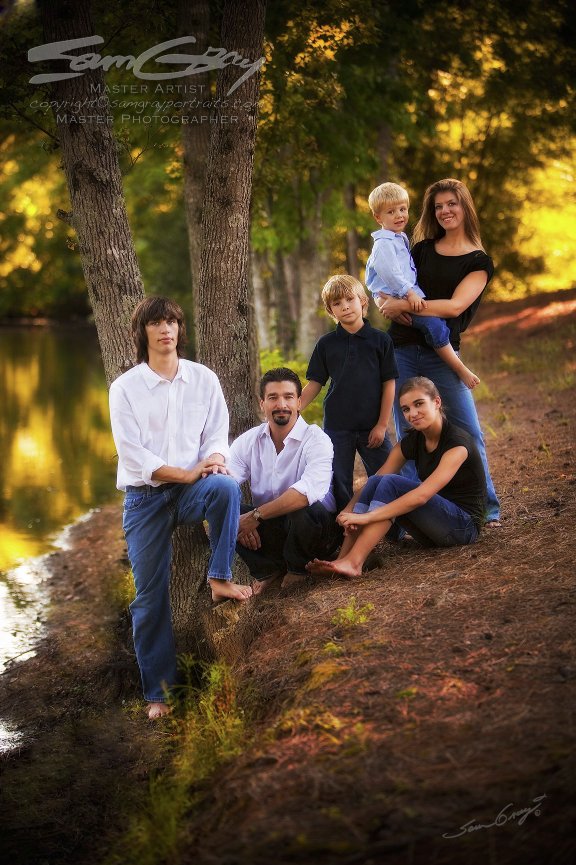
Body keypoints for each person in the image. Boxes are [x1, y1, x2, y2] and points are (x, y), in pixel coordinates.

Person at [108, 296, 251, 720]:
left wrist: (215, 460)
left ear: (179, 329)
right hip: (145, 499)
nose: (165, 329)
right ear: (143, 332)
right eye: (156, 323)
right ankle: (160, 694)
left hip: (192, 492)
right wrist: (187, 474)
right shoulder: (125, 388)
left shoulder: (203, 379)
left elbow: (217, 434)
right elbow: (133, 455)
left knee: (226, 486)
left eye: (171, 321)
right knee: (150, 597)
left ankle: (220, 577)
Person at [376, 177, 501, 525]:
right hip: (401, 348)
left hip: (443, 355)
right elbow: (391, 284)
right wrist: (388, 304)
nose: (445, 211)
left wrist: (405, 305)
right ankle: (412, 510)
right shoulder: (421, 249)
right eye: (438, 206)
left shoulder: (478, 262)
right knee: (410, 433)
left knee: (468, 429)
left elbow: (455, 306)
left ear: (465, 207)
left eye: (452, 204)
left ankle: (486, 507)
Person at [307, 377, 486, 579]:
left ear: (436, 402)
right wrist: (349, 510)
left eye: (419, 404)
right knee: (377, 481)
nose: (412, 414)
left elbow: (422, 496)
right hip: (432, 529)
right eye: (406, 409)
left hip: (463, 528)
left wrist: (366, 517)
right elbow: (377, 478)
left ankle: (354, 563)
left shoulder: (457, 444)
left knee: (392, 483)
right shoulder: (412, 441)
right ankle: (342, 559)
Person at [228, 367, 340, 594]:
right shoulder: (249, 441)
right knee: (226, 511)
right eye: (273, 398)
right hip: (276, 528)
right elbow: (224, 482)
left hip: (317, 531)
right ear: (262, 404)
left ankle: (299, 569)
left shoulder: (317, 439)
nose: (281, 404)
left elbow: (306, 492)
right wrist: (238, 520)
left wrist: (255, 516)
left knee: (303, 506)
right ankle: (269, 570)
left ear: (299, 402)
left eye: (288, 397)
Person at [365, 181, 479, 389]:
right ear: (378, 218)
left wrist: (400, 303)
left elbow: (455, 307)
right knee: (435, 326)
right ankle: (459, 368)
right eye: (391, 212)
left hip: (402, 299)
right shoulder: (384, 244)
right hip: (400, 300)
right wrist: (407, 295)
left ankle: (449, 364)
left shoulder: (399, 238)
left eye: (403, 209)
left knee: (436, 326)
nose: (399, 215)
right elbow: (389, 274)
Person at [300, 274, 398, 512]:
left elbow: (389, 384)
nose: (345, 306)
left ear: (362, 300)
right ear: (330, 310)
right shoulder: (326, 344)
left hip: (372, 425)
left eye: (349, 299)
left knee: (386, 476)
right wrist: (294, 408)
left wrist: (382, 425)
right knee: (339, 481)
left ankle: (390, 524)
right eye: (337, 303)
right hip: (337, 426)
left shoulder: (381, 340)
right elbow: (315, 383)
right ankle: (343, 527)